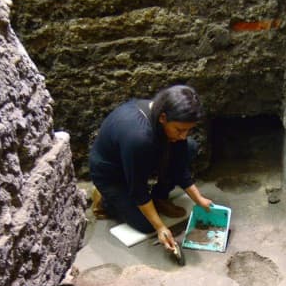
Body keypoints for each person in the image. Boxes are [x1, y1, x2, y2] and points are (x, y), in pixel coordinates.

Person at [89, 85, 214, 251]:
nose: (183, 135)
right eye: (180, 130)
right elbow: (138, 189)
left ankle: (159, 197)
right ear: (163, 118)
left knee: (188, 147)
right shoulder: (138, 137)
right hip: (112, 175)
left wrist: (199, 199)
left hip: (140, 159)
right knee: (147, 225)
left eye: (188, 130)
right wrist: (161, 228)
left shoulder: (167, 116)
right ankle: (106, 200)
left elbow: (179, 165)